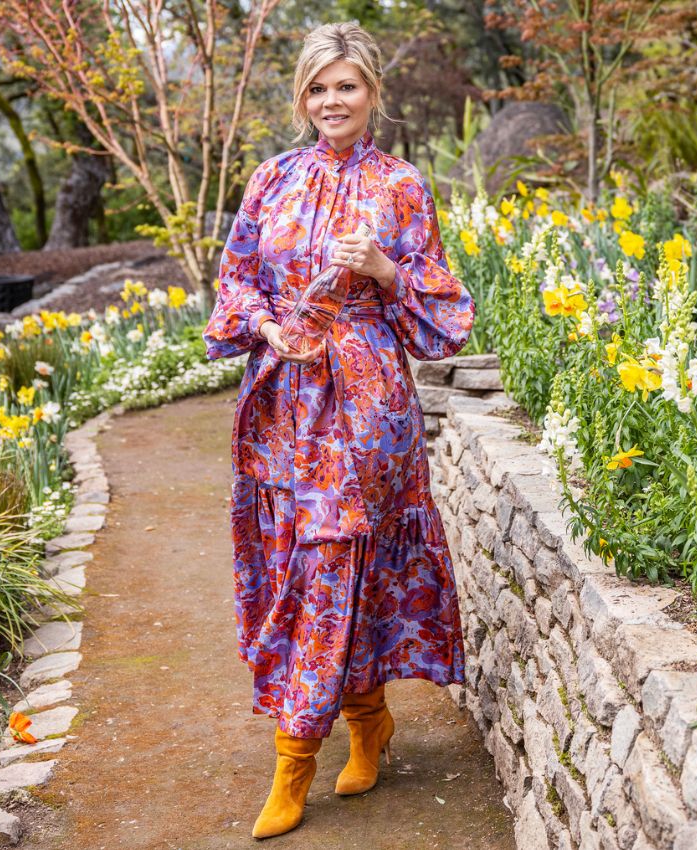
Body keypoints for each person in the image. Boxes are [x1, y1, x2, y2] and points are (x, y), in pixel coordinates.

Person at [202, 21, 474, 840]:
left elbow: (444, 316)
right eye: (318, 88)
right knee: (307, 564)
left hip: (367, 408)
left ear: (372, 94)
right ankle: (370, 720)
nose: (332, 102)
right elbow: (235, 281)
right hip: (286, 402)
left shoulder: (401, 186)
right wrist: (268, 327)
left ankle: (295, 762)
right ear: (302, 97)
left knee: (336, 564)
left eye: (346, 86)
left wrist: (383, 270)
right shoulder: (271, 180)